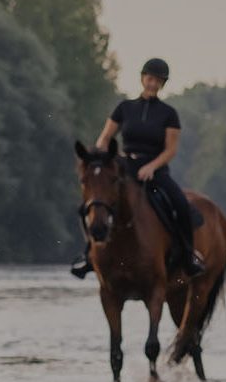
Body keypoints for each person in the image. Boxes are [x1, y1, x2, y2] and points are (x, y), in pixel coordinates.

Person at [71, 57, 204, 280]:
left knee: (181, 204)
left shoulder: (168, 113)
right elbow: (105, 138)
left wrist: (152, 166)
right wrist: (99, 159)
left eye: (158, 81)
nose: (153, 84)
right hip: (126, 165)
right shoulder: (125, 108)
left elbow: (171, 150)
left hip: (156, 169)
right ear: (143, 79)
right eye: (150, 79)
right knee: (92, 204)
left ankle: (188, 256)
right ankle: (88, 256)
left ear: (163, 84)